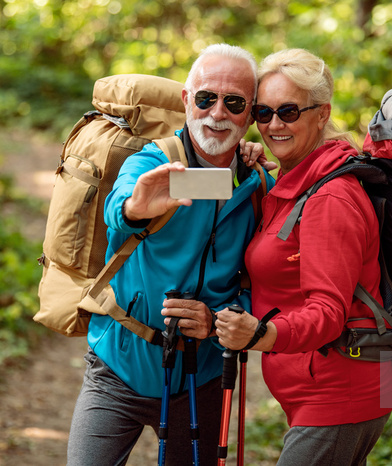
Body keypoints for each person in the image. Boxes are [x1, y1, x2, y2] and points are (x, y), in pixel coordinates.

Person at [66, 44, 275, 466]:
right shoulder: (156, 161)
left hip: (204, 378)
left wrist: (217, 321)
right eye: (205, 98)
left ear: (250, 114)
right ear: (186, 101)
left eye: (234, 102)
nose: (217, 113)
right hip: (118, 367)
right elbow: (120, 207)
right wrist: (132, 209)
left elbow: (267, 286)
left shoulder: (257, 187)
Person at [215, 48, 392, 466]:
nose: (274, 124)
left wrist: (259, 334)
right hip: (322, 395)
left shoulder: (330, 197)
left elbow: (328, 311)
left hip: (339, 394)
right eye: (263, 112)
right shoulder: (296, 180)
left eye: (290, 111)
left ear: (321, 113)